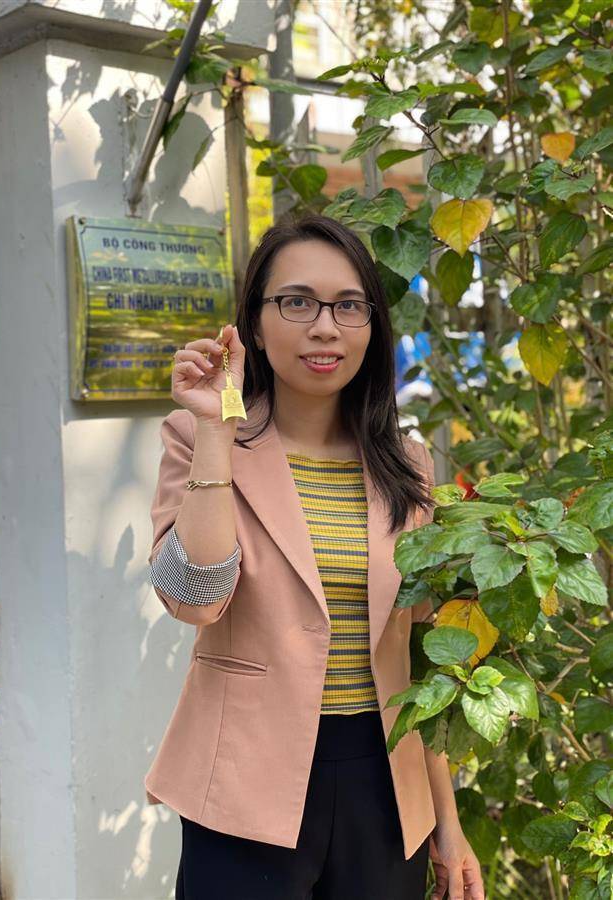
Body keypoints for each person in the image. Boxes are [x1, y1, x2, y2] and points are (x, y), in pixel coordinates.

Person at [145, 214, 484, 900]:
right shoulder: (198, 435)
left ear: (371, 326)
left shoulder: (408, 465)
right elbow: (193, 598)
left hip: (385, 785)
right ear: (254, 321)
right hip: (244, 780)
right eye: (297, 302)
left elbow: (423, 656)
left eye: (348, 305)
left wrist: (447, 823)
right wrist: (215, 429)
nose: (325, 327)